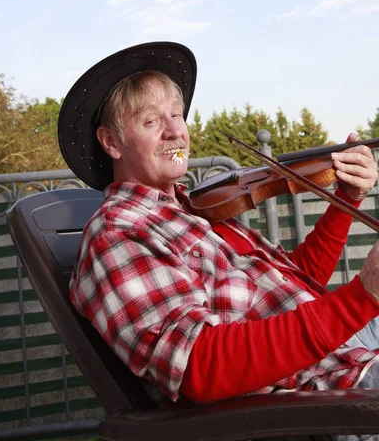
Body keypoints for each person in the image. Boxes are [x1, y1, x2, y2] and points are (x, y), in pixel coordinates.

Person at [58, 41, 379, 440]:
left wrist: (346, 200)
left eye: (177, 115)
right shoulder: (119, 234)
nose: (176, 130)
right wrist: (362, 296)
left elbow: (299, 281)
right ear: (112, 142)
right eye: (151, 122)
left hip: (347, 346)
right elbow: (200, 366)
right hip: (328, 394)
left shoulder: (194, 210)